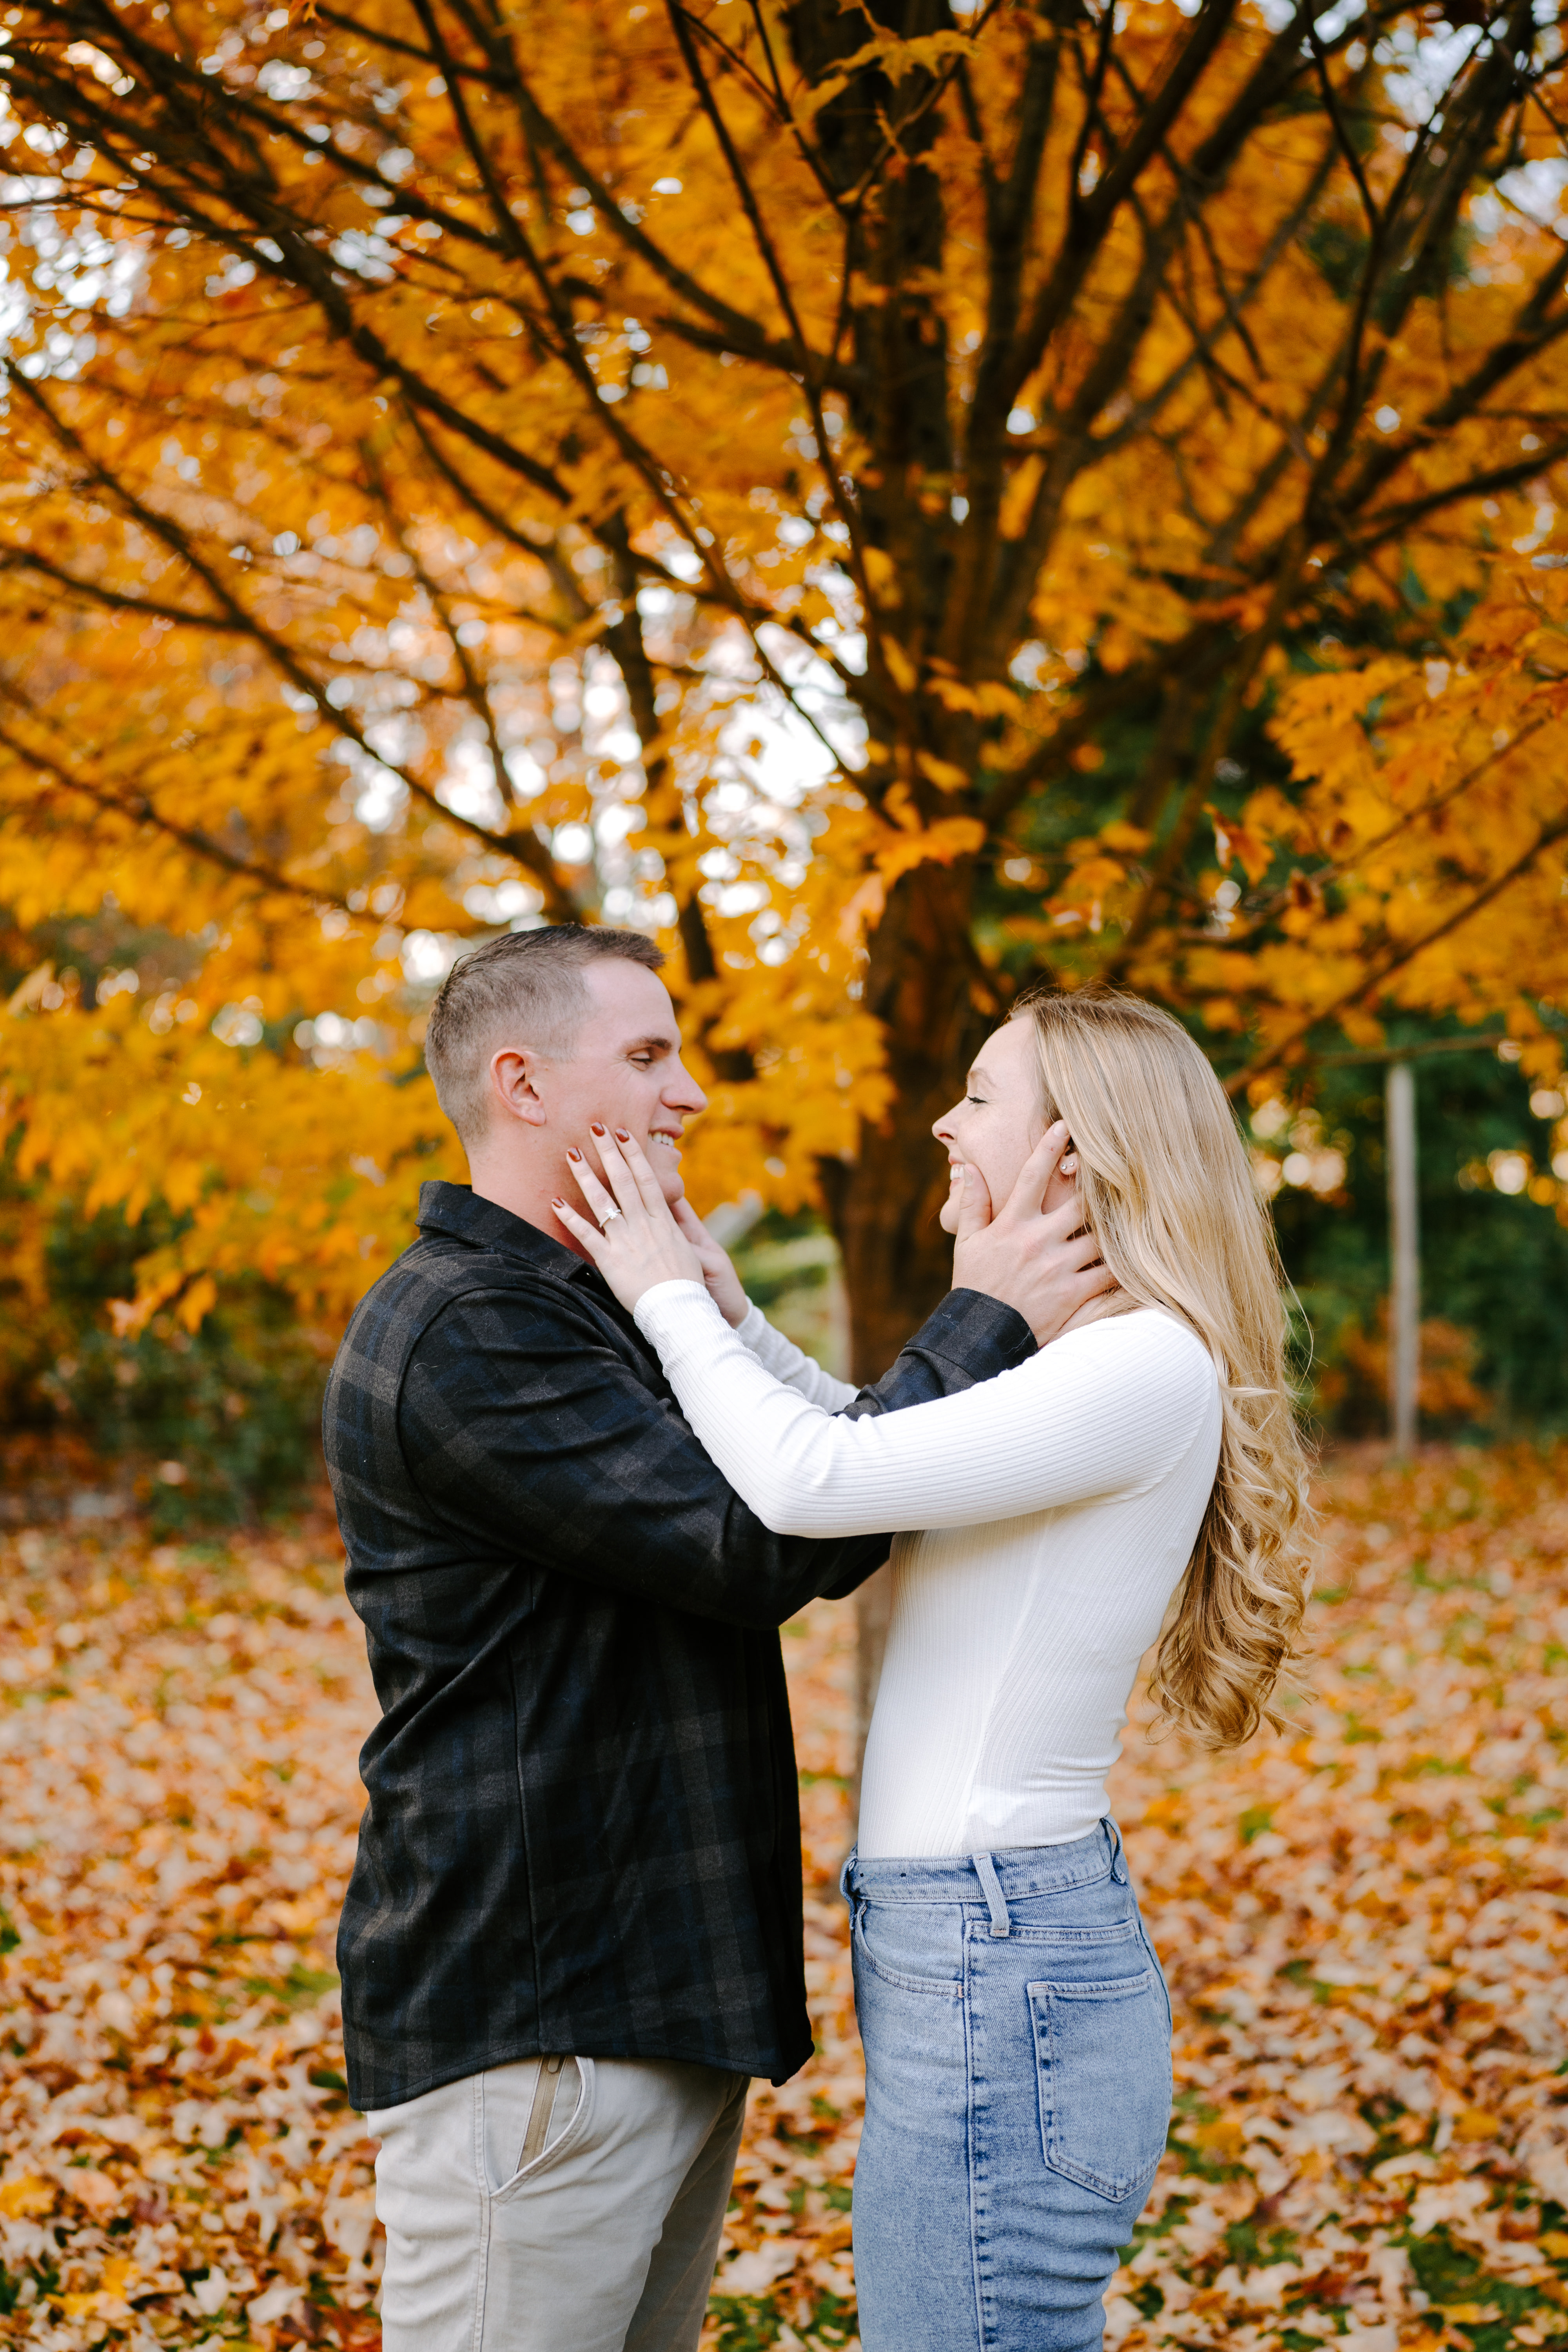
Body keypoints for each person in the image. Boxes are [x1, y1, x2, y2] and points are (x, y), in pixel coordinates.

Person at [320, 924, 1116, 2352]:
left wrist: (739, 1313)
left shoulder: (605, 1310)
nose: (688, 1092)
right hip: (542, 2016)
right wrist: (984, 1320)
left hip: (650, 1999)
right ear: (524, 1084)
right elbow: (769, 1542)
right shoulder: (469, 1328)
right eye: (645, 1056)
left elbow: (820, 1463)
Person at [554, 981, 1314, 2352]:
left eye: (978, 1095)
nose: (940, 1122)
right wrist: (731, 1314)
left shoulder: (1139, 1367)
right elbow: (868, 1446)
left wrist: (667, 1300)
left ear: (1071, 1153)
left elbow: (812, 1481)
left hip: (997, 1949)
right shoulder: (1097, 1361)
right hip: (977, 1942)